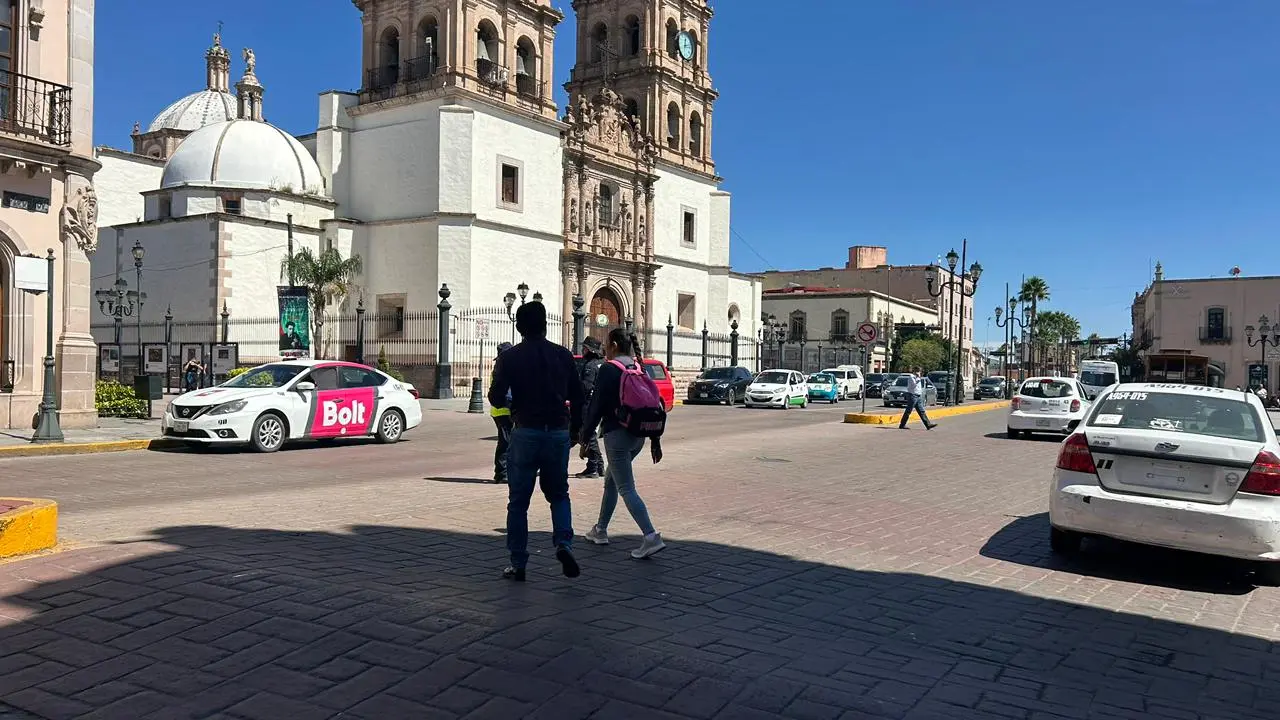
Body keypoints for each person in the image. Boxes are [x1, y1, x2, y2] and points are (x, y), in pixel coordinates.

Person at [488, 301, 584, 582]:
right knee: (559, 495)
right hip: (557, 432)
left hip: (525, 430)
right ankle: (564, 543)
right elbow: (578, 396)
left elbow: (495, 397)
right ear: (545, 325)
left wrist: (510, 402)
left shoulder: (510, 358)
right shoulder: (563, 356)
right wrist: (577, 429)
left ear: (519, 327)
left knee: (518, 501)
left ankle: (518, 563)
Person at [581, 328, 667, 559]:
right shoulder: (639, 367)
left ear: (615, 345)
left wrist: (584, 437)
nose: (605, 349)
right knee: (611, 481)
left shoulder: (609, 369)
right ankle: (600, 530)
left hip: (616, 435)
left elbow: (596, 406)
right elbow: (654, 405)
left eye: (607, 343)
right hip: (638, 436)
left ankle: (650, 536)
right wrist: (655, 441)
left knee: (626, 488)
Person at [575, 336, 606, 478]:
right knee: (591, 434)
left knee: (589, 435)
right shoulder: (603, 363)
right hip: (600, 404)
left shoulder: (590, 366)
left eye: (585, 348)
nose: (583, 350)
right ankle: (599, 466)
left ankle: (593, 467)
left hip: (589, 405)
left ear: (590, 350)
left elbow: (585, 387)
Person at [490, 342, 515, 484]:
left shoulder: (500, 366)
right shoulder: (504, 368)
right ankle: (501, 473)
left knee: (508, 441)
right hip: (504, 410)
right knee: (505, 442)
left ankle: (506, 471)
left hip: (499, 411)